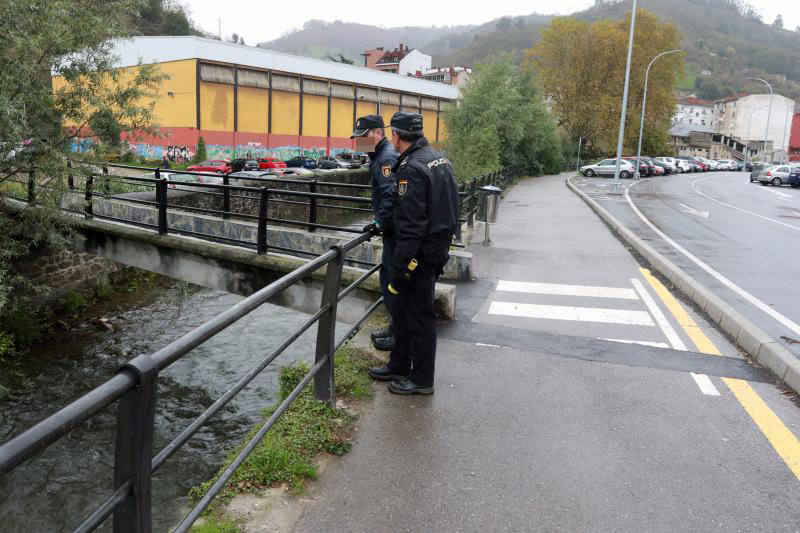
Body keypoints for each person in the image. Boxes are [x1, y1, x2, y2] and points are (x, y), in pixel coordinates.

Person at [368, 111, 460, 395]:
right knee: (406, 313)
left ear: (396, 135)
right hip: (435, 248)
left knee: (418, 316)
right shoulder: (438, 158)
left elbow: (411, 224)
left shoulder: (410, 168)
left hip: (419, 254)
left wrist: (400, 266)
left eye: (392, 134)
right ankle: (399, 364)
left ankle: (421, 379)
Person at [352, 115, 399, 351]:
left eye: (364, 136)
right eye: (357, 138)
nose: (359, 142)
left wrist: (379, 222)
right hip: (393, 229)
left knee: (391, 280)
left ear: (378, 133)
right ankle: (394, 330)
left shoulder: (386, 157)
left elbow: (391, 194)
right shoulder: (380, 156)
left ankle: (396, 335)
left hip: (395, 230)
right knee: (389, 278)